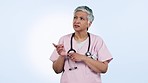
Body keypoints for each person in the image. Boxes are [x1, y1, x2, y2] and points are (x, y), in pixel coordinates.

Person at [50, 6, 113, 83]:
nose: (76, 21)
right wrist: (62, 56)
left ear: (89, 23)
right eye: (75, 18)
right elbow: (57, 70)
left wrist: (84, 58)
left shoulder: (97, 41)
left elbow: (104, 69)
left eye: (81, 19)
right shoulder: (64, 40)